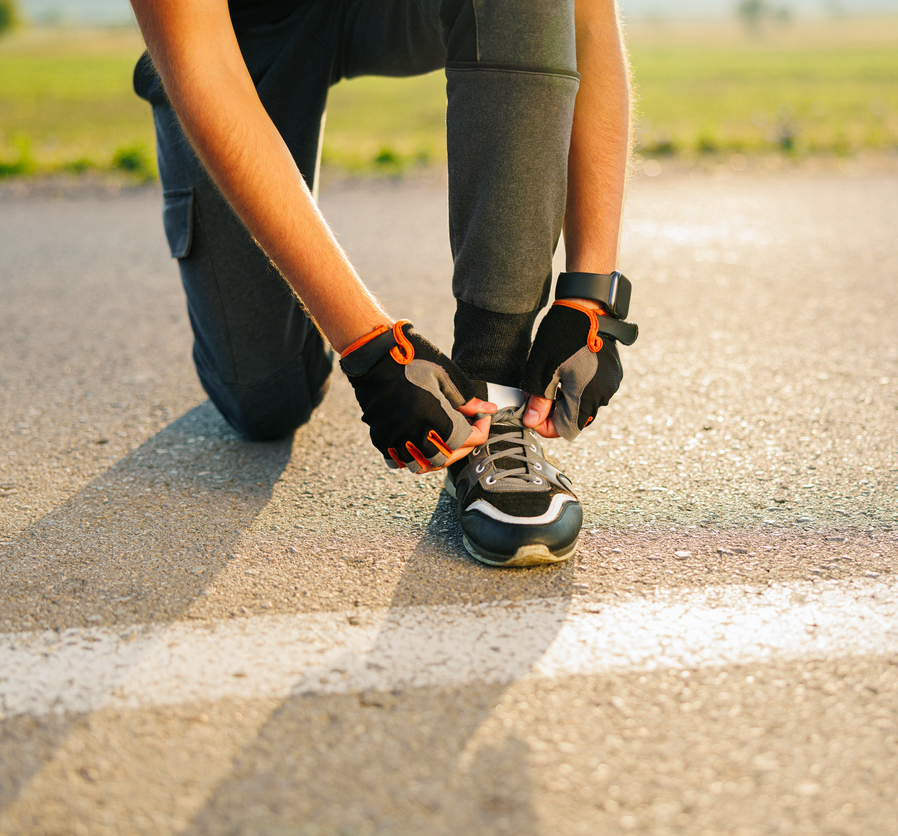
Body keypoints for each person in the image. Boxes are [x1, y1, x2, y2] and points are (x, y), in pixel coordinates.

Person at [130, 0, 639, 567]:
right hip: (244, 31)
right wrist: (371, 347)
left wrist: (591, 298)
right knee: (266, 402)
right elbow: (204, 66)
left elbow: (586, 17)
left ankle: (495, 389)